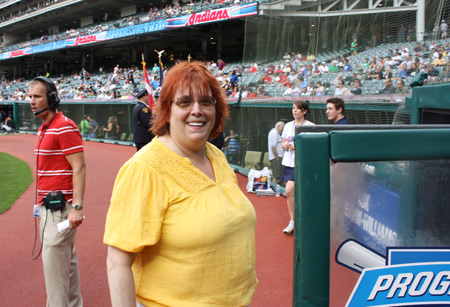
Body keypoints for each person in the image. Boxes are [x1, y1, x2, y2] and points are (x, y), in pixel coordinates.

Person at [104, 61, 258, 307]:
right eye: (184, 102)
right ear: (167, 109)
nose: (197, 110)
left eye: (206, 101)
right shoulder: (145, 169)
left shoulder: (214, 155)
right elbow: (118, 261)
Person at [29, 76, 85, 306]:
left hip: (61, 211)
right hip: (48, 209)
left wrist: (77, 207)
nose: (31, 101)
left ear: (51, 98)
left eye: (37, 96)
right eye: (30, 96)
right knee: (67, 273)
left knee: (55, 281)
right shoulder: (45, 128)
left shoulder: (64, 126)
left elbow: (79, 167)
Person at [280, 101, 314, 234]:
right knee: (291, 194)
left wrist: (300, 146)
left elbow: (314, 145)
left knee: (289, 191)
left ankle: (295, 221)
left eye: (298, 109)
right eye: (293, 108)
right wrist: (285, 145)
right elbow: (283, 142)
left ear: (304, 111)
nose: (294, 111)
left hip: (301, 163)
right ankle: (294, 220)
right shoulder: (288, 125)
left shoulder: (310, 126)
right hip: (287, 162)